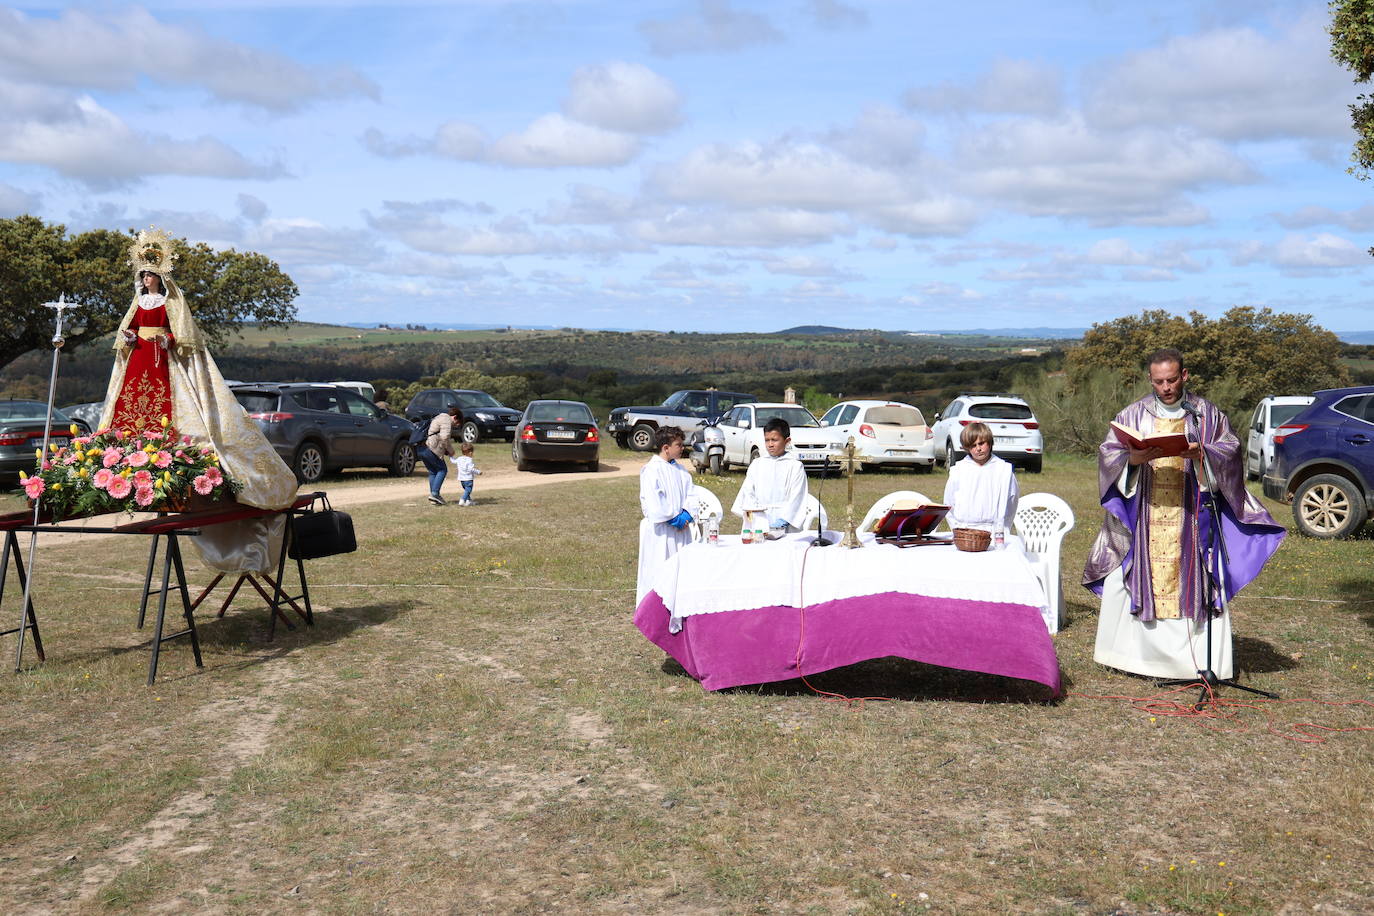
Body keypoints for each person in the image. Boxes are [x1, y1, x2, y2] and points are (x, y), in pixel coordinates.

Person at [99, 228, 297, 572]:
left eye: (150, 274)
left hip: (163, 361)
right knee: (131, 404)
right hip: (140, 358)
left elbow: (184, 334)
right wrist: (130, 337)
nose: (145, 280)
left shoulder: (171, 300)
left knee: (171, 404)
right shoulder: (137, 303)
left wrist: (168, 340)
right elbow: (125, 331)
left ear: (160, 277)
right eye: (142, 274)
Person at [1083, 348, 1285, 679]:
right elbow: (1109, 455)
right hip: (1145, 512)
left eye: (1172, 380)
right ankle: (1136, 659)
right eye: (1159, 381)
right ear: (1150, 379)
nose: (1166, 387)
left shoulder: (1205, 415)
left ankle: (1191, 664)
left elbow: (1230, 454)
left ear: (1185, 375)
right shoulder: (1132, 415)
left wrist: (1202, 455)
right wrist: (1131, 462)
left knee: (1196, 579)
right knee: (1130, 574)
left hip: (1192, 514)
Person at [636, 426, 694, 606]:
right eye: (678, 444)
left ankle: (679, 606)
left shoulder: (681, 470)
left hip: (680, 531)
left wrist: (687, 514)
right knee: (659, 568)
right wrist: (671, 518)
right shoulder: (652, 470)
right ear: (666, 447)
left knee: (680, 571)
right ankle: (655, 610)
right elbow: (653, 500)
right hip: (661, 531)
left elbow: (692, 495)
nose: (682, 448)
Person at [730, 417, 808, 532]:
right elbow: (748, 492)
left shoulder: (795, 466)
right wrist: (756, 515)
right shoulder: (757, 464)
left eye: (774, 440)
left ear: (787, 441)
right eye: (767, 440)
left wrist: (784, 520)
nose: (770, 444)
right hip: (758, 521)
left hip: (785, 522)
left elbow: (797, 497)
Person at [942, 421, 1017, 535]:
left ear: (990, 443)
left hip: (994, 531)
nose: (978, 449)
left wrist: (1002, 528)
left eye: (981, 443)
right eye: (973, 445)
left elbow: (1012, 502)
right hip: (964, 530)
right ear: (967, 448)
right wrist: (957, 529)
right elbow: (949, 502)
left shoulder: (1003, 470)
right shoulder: (959, 470)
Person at [417, 404, 461, 505]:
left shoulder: (439, 417)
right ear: (455, 417)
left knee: (433, 471)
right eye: (457, 423)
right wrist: (450, 450)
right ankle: (435, 494)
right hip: (431, 448)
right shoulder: (446, 420)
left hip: (422, 448)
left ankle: (434, 497)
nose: (455, 425)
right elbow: (445, 437)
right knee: (442, 470)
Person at [452, 441, 481, 506]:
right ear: (470, 452)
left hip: (462, 479)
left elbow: (453, 461)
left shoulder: (459, 459)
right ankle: (462, 500)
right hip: (468, 479)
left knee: (466, 491)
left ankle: (469, 501)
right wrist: (478, 472)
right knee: (468, 491)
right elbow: (471, 469)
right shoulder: (469, 460)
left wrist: (450, 456)